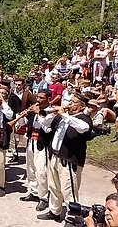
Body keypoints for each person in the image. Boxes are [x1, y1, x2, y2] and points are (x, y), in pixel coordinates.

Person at [37, 93, 93, 221]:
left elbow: (83, 128)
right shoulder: (63, 117)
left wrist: (63, 114)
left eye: (73, 102)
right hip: (55, 156)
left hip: (68, 160)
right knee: (54, 186)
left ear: (81, 105)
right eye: (70, 101)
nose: (69, 104)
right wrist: (52, 112)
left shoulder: (84, 118)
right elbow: (44, 122)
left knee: (69, 190)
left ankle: (72, 217)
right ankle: (54, 211)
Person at [17, 89, 52, 211]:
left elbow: (48, 127)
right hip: (31, 141)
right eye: (38, 97)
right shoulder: (34, 109)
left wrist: (38, 112)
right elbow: (24, 123)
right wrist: (24, 115)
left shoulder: (51, 111)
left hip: (43, 143)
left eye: (41, 98)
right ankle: (33, 192)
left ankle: (44, 198)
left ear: (48, 99)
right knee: (30, 168)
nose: (38, 100)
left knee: (41, 171)